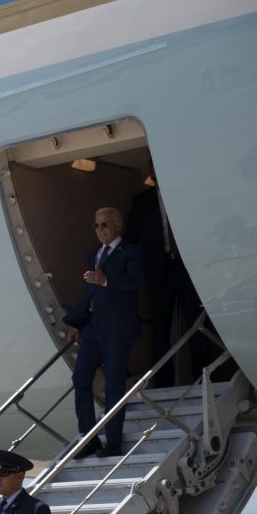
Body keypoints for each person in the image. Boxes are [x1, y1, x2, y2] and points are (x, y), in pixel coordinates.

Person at [63, 207, 144, 458]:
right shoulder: (94, 255)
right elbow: (90, 293)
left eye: (104, 225)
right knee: (80, 379)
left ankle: (114, 441)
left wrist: (107, 281)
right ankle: (88, 438)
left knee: (114, 385)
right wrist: (76, 323)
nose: (100, 230)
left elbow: (134, 282)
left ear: (117, 226)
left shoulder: (132, 252)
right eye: (96, 226)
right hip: (93, 330)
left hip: (118, 329)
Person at [125, 170, 207, 387]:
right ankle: (163, 382)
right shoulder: (143, 202)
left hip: (188, 267)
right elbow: (130, 239)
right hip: (159, 269)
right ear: (152, 173)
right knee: (160, 327)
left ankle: (202, 377)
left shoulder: (188, 198)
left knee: (196, 322)